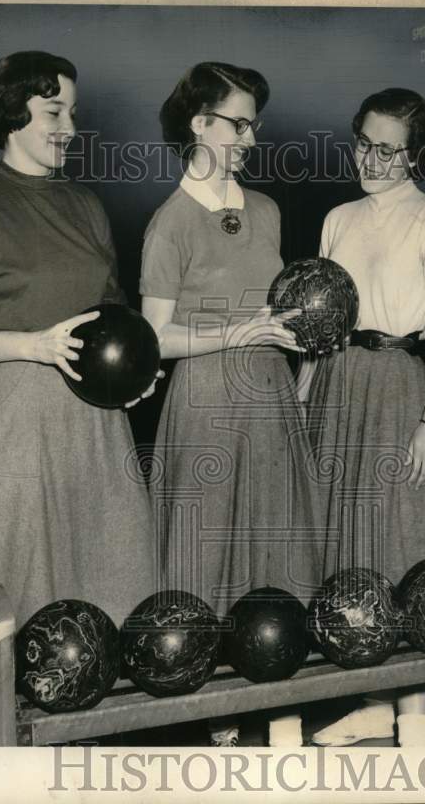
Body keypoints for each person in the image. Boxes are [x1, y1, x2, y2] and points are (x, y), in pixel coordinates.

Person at [0, 51, 159, 630]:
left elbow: (112, 308)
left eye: (73, 112)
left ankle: (100, 723)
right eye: (54, 112)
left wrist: (134, 376)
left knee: (113, 581)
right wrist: (32, 346)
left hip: (95, 422)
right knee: (19, 596)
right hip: (15, 416)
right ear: (12, 115)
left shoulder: (86, 206)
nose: (69, 128)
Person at [140, 61, 322, 748]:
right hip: (206, 402)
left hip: (270, 397)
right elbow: (153, 336)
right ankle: (214, 727)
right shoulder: (169, 224)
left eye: (255, 124)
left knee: (275, 551)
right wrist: (236, 332)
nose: (250, 136)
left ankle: (282, 721)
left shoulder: (269, 210)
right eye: (238, 122)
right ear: (199, 122)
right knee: (204, 561)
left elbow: (282, 311)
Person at [303, 88, 425, 748]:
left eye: (388, 148)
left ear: (415, 156)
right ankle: (369, 703)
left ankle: (415, 720)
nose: (371, 158)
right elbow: (320, 324)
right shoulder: (338, 218)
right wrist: (302, 397)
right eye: (364, 142)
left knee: (405, 543)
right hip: (339, 385)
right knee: (345, 542)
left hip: (401, 387)